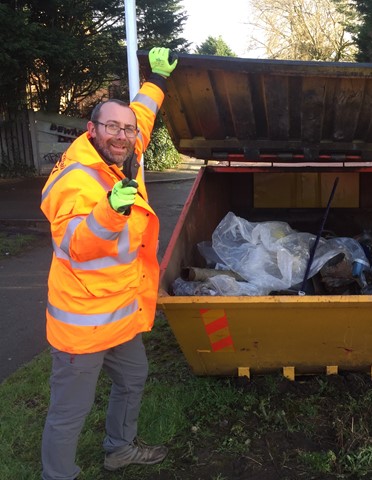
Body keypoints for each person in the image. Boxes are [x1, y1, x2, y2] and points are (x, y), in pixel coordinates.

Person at [40, 47, 178, 480]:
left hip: (118, 313)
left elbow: (142, 114)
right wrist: (108, 212)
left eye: (126, 129)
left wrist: (157, 79)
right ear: (91, 130)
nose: (122, 135)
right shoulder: (77, 180)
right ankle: (57, 474)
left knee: (133, 377)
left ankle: (119, 449)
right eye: (112, 128)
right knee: (69, 411)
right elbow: (76, 245)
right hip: (82, 323)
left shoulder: (124, 147)